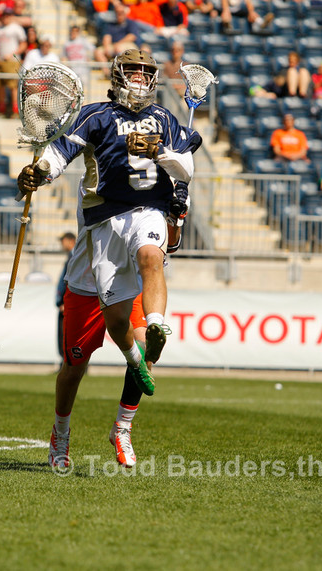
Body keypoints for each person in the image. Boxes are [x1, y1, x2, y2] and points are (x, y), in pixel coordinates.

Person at [18, 49, 203, 404]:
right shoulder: (95, 115)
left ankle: (156, 324)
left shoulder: (164, 118)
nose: (139, 77)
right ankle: (65, 429)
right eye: (131, 71)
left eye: (144, 72)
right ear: (118, 75)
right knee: (95, 343)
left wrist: (158, 153)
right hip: (103, 224)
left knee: (151, 258)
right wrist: (38, 173)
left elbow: (185, 170)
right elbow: (58, 155)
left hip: (146, 213)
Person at [48, 174, 191, 469]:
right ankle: (60, 433)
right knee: (74, 368)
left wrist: (175, 216)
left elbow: (171, 245)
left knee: (144, 350)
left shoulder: (162, 178)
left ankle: (122, 428)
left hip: (133, 284)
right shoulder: (101, 171)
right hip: (86, 285)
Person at [55, 231, 76, 356]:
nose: (62, 244)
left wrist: (64, 302)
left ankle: (69, 364)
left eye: (63, 241)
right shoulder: (71, 256)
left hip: (68, 304)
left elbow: (69, 281)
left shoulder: (74, 257)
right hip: (66, 303)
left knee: (66, 335)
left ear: (70, 241)